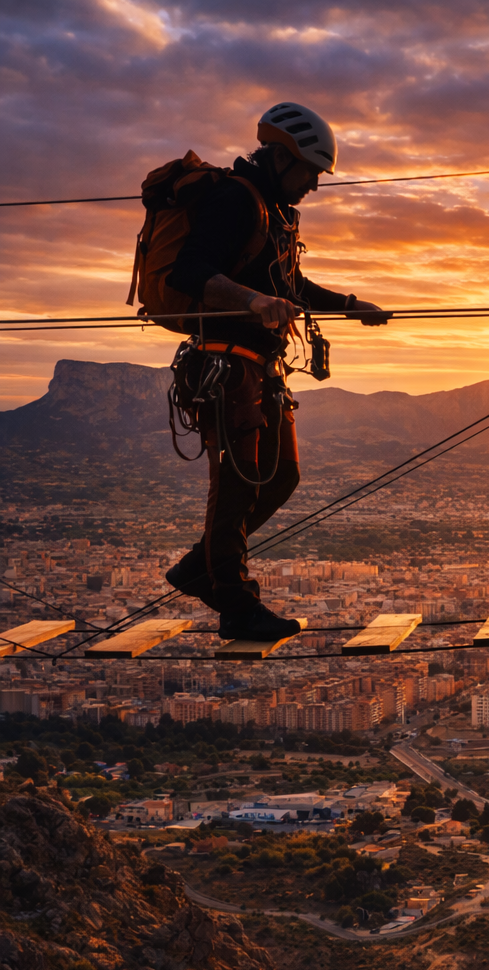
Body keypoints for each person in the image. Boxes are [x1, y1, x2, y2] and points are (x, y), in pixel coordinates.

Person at [163, 101, 387, 642]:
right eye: (310, 172)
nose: (313, 185)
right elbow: (190, 270)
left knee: (281, 475)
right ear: (284, 158)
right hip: (226, 363)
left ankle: (201, 568)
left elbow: (293, 289)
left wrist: (349, 305)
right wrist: (251, 301)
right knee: (238, 486)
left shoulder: (276, 213)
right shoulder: (234, 200)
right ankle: (237, 605)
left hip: (261, 367)